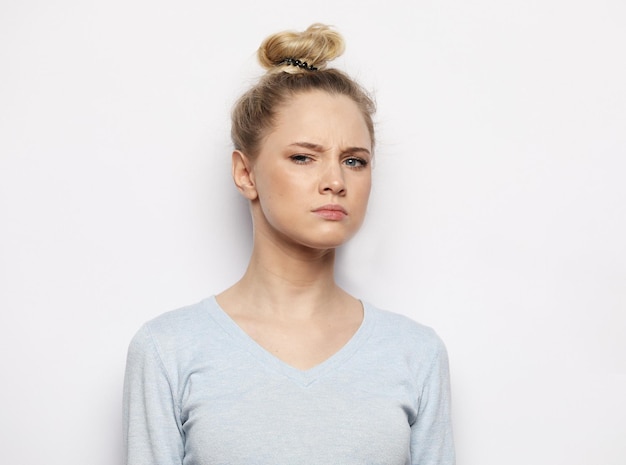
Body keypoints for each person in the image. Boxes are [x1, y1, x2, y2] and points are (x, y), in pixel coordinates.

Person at [123, 23, 455, 465]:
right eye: (303, 157)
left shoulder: (415, 353)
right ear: (245, 173)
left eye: (354, 161)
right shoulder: (169, 349)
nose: (335, 181)